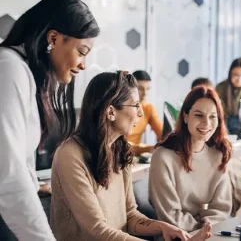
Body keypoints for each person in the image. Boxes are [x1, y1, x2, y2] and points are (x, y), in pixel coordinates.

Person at [50, 71, 211, 241]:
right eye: (135, 105)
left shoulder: (121, 149)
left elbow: (130, 216)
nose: (140, 113)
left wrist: (164, 227)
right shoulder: (70, 155)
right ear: (111, 112)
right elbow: (96, 230)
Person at [0, 0, 99, 240]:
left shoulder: (21, 70)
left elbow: (17, 158)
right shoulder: (9, 69)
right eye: (82, 51)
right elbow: (8, 174)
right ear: (53, 39)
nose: (84, 64)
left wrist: (33, 185)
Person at [149, 85, 232, 233]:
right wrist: (202, 228)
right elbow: (169, 216)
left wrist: (206, 227)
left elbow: (222, 209)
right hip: (175, 236)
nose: (207, 123)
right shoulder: (163, 157)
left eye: (213, 116)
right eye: (199, 115)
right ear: (186, 116)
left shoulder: (219, 154)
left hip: (208, 233)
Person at [127, 70, 163, 155]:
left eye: (148, 89)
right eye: (140, 89)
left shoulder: (148, 108)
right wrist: (148, 148)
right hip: (120, 153)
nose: (145, 93)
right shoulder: (122, 109)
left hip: (137, 156)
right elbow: (117, 145)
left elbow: (163, 135)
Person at [216, 58, 241, 134]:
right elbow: (220, 113)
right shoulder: (221, 87)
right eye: (236, 75)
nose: (239, 79)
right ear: (230, 75)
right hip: (227, 119)